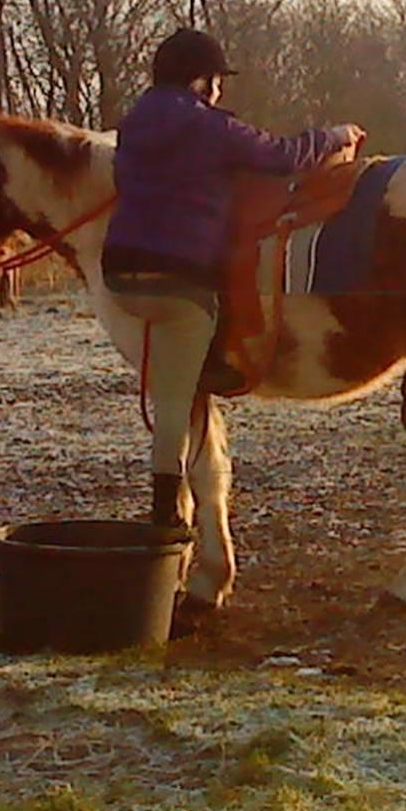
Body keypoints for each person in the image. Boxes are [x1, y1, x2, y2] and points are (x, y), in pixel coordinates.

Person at [102, 28, 366, 530]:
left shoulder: (132, 125)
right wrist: (332, 137)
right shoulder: (209, 128)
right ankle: (164, 511)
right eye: (216, 80)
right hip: (178, 281)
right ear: (199, 81)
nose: (220, 90)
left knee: (177, 360)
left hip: (121, 275)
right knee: (178, 395)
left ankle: (202, 361)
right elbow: (282, 156)